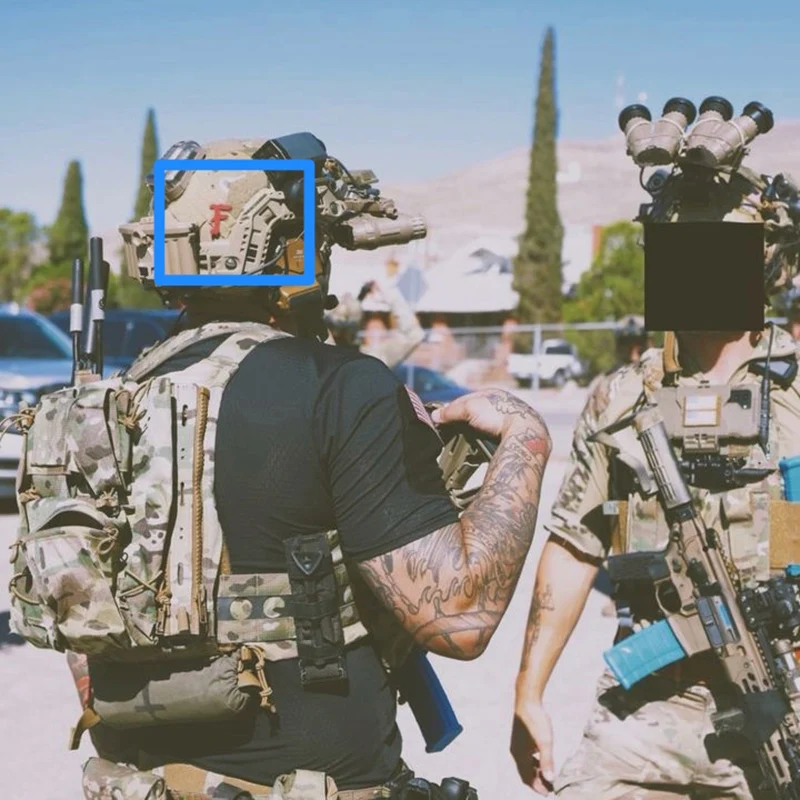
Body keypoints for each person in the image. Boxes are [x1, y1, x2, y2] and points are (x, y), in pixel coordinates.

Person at [26, 135, 552, 800]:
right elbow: (460, 616)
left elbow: (81, 620)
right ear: (294, 255)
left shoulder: (104, 405)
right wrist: (526, 438)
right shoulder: (342, 388)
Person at [511, 104, 800, 799]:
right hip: (646, 710)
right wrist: (529, 692)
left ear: (766, 263)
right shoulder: (620, 399)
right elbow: (575, 545)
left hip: (780, 707)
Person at [325, 279, 424, 368]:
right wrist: (390, 296)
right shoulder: (372, 360)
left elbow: (414, 335)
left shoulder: (321, 360)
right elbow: (413, 334)